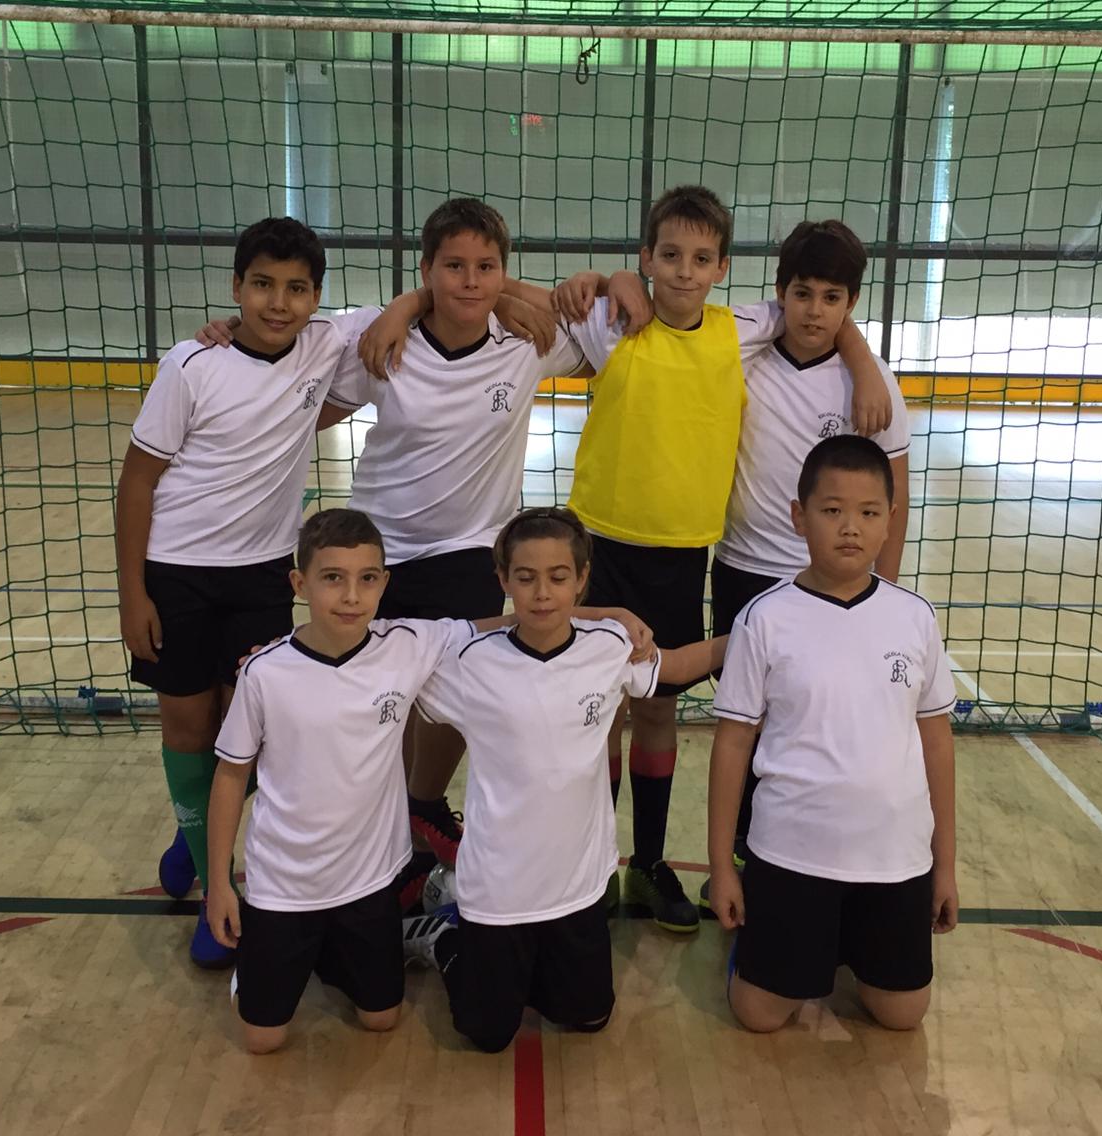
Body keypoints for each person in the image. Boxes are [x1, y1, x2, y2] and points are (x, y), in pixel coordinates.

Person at [526, 187, 892, 933]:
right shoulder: (612, 323)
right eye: (668, 256)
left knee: (657, 709)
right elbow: (517, 303)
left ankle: (648, 864)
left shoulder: (741, 329)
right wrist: (598, 281)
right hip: (598, 547)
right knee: (596, 713)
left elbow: (824, 310)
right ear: (646, 257)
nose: (684, 271)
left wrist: (862, 366)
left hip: (681, 555)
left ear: (723, 267)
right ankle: (588, 866)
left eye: (701, 259)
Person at [194, 199, 587, 869]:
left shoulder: (527, 339)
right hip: (381, 544)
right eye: (453, 267)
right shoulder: (382, 340)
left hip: (471, 542)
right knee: (386, 693)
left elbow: (608, 322)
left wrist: (510, 292)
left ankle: (422, 803)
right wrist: (231, 334)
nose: (470, 280)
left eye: (486, 267)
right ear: (426, 269)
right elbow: (293, 361)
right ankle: (379, 819)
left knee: (456, 684)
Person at [205, 508, 650, 1053]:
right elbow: (230, 776)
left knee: (382, 1019)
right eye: (333, 578)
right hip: (282, 882)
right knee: (262, 1040)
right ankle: (264, 970)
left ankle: (393, 942)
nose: (351, 596)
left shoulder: (408, 644)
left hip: (369, 877)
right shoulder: (265, 672)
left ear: (384, 583)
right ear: (300, 584)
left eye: (367, 579)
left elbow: (509, 621)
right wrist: (220, 882)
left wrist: (612, 615)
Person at [116, 217, 367, 968]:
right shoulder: (192, 364)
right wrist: (133, 595)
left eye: (296, 288)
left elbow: (409, 307)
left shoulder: (325, 344)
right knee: (190, 730)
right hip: (177, 574)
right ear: (236, 287)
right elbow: (137, 482)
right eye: (262, 285)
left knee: (249, 741)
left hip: (261, 576)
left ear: (316, 296)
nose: (277, 302)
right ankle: (212, 884)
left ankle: (194, 836)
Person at [401, 507, 727, 1053]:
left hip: (577, 887)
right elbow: (388, 660)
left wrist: (757, 634)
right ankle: (443, 936)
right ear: (502, 579)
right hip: (497, 890)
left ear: (581, 578)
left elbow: (672, 666)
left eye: (557, 577)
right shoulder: (467, 660)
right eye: (525, 577)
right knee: (487, 1034)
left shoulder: (609, 647)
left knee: (589, 1016)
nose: (542, 593)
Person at [707, 436, 957, 1033]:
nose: (850, 527)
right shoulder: (764, 618)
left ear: (890, 520)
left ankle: (842, 947)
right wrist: (722, 866)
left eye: (869, 512)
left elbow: (937, 742)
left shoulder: (913, 616)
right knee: (759, 1016)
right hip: (792, 851)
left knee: (903, 1015)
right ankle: (767, 950)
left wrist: (944, 865)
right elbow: (733, 744)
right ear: (799, 516)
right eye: (832, 510)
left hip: (894, 857)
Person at [703, 218, 912, 910]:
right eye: (802, 294)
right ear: (779, 292)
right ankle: (744, 865)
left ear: (851, 303)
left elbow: (895, 496)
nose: (815, 311)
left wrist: (885, 593)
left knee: (819, 724)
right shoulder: (746, 353)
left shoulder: (871, 386)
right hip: (743, 569)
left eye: (832, 298)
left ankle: (822, 866)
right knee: (748, 728)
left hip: (832, 585)